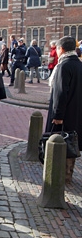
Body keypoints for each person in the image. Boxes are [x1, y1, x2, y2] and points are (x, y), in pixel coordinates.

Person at [45, 36, 82, 184]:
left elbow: (60, 92)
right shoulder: (79, 65)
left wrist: (58, 115)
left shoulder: (63, 66)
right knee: (72, 143)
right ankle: (68, 174)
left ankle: (57, 175)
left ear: (61, 49)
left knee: (60, 142)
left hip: (64, 114)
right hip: (77, 112)